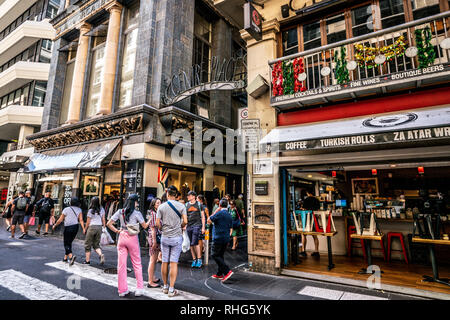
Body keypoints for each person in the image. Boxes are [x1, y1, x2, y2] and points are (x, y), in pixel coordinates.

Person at [107, 193, 150, 297]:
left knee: (121, 265)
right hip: (132, 238)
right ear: (135, 202)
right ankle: (139, 289)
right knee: (137, 263)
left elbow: (109, 223)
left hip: (122, 237)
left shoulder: (120, 211)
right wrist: (149, 220)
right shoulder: (137, 213)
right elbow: (144, 226)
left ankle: (122, 290)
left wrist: (117, 231)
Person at [156, 186, 187, 297]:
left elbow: (157, 223)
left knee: (165, 261)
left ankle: (164, 286)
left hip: (165, 237)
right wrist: (180, 226)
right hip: (177, 237)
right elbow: (185, 221)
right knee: (173, 263)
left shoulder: (161, 207)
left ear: (168, 195)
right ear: (176, 195)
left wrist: (161, 228)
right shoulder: (181, 206)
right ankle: (171, 289)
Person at [52, 197, 85, 265]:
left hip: (68, 227)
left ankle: (71, 256)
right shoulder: (79, 209)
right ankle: (65, 258)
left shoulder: (66, 209)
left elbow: (60, 220)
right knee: (69, 242)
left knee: (66, 243)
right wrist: (84, 228)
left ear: (70, 202)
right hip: (76, 227)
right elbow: (81, 220)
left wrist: (55, 225)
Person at [208, 198, 233, 282]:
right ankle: (219, 273)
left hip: (218, 237)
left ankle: (227, 271)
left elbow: (209, 220)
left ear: (219, 205)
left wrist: (216, 211)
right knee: (220, 255)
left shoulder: (219, 213)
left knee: (214, 254)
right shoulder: (229, 215)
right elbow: (230, 227)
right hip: (226, 238)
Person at [83, 196, 106, 265]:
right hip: (99, 227)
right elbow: (103, 219)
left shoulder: (90, 210)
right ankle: (100, 254)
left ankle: (87, 261)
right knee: (96, 244)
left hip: (92, 227)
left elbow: (88, 222)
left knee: (87, 244)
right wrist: (104, 227)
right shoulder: (102, 209)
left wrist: (85, 229)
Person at [185, 191, 205, 268]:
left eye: (189, 196)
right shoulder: (186, 205)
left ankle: (199, 259)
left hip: (197, 225)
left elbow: (203, 217)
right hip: (189, 226)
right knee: (191, 243)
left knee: (195, 242)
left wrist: (203, 227)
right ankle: (194, 259)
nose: (187, 197)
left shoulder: (199, 205)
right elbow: (185, 216)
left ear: (193, 196)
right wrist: (184, 225)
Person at [146, 198, 161, 288]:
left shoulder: (156, 213)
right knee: (152, 260)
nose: (160, 204)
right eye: (158, 203)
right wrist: (154, 241)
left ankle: (152, 277)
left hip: (155, 238)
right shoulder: (153, 214)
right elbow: (152, 229)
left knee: (154, 260)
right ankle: (150, 281)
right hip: (154, 238)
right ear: (154, 205)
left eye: (160, 202)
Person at [301, 191, 321, 257]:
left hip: (307, 220)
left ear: (308, 193)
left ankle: (303, 251)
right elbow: (318, 210)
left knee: (303, 235)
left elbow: (303, 209)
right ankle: (316, 251)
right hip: (314, 219)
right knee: (314, 235)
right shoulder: (316, 200)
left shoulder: (306, 199)